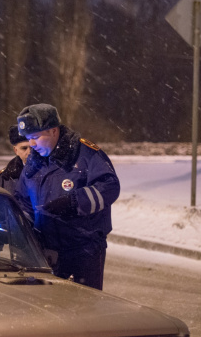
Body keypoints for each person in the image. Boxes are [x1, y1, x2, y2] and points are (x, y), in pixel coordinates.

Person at [13, 103, 120, 290]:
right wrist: (25, 228)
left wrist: (74, 202)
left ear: (53, 131)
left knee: (82, 309)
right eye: (29, 138)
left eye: (36, 137)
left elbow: (109, 186)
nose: (31, 144)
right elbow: (22, 200)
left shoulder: (85, 154)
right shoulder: (34, 161)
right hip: (46, 252)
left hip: (83, 251)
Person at [0, 125, 31, 195]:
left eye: (33, 148)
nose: (29, 152)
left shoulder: (51, 171)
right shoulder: (5, 177)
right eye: (24, 148)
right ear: (15, 150)